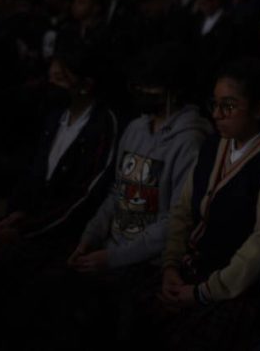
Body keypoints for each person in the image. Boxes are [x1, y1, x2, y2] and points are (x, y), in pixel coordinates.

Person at [148, 58, 260, 349]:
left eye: (229, 106)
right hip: (190, 268)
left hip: (235, 287)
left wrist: (202, 292)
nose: (217, 114)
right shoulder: (212, 146)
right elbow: (183, 211)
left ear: (259, 109)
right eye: (214, 104)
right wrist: (170, 266)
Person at [70, 42, 211, 274]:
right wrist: (90, 237)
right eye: (138, 86)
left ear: (174, 88)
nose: (142, 92)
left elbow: (175, 220)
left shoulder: (190, 141)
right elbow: (117, 192)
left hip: (150, 265)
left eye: (150, 86)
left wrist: (113, 258)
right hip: (110, 251)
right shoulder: (135, 128)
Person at [0, 46, 118, 263]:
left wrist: (27, 230)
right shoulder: (55, 116)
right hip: (35, 221)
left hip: (65, 232)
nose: (52, 85)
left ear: (86, 85)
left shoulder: (102, 125)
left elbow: (86, 196)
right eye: (51, 78)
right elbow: (32, 171)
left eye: (59, 79)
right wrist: (18, 211)